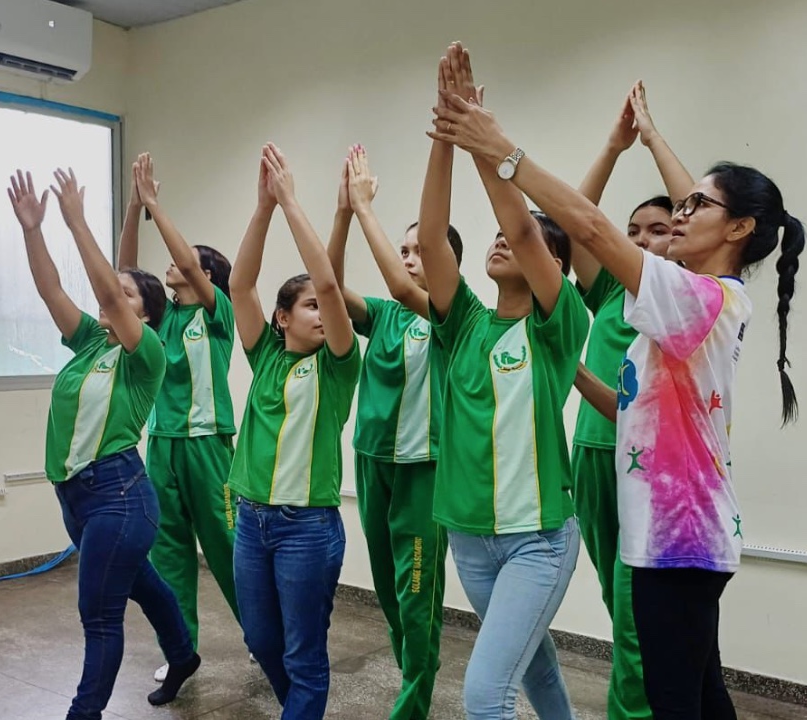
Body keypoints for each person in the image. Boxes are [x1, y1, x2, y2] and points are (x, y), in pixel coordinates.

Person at [429, 51, 804, 720]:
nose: (679, 214)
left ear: (741, 228)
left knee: (672, 700)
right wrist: (565, 366)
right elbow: (630, 406)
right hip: (679, 536)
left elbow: (590, 227)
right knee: (701, 693)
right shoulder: (698, 301)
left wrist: (502, 150)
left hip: (679, 541)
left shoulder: (702, 298)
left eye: (696, 207)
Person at [419, 45, 588, 719]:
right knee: (535, 666)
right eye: (491, 237)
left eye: (520, 244)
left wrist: (480, 143)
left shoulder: (557, 323)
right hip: (468, 538)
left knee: (485, 695)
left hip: (535, 541)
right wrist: (444, 136)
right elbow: (433, 241)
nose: (501, 240)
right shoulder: (463, 324)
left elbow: (520, 223)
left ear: (553, 264)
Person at [7, 168, 200, 720]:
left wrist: (78, 222)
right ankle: (183, 656)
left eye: (127, 292)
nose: (112, 297)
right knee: (143, 583)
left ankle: (83, 713)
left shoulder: (148, 357)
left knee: (98, 613)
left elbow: (106, 296)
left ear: (145, 312)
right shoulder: (92, 343)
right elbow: (51, 289)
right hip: (76, 497)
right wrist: (33, 230)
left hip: (119, 495)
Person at [326, 144, 461, 719]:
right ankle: (414, 677)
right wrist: (341, 214)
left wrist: (366, 211)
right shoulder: (382, 314)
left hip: (426, 471)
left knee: (417, 595)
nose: (408, 258)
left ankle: (411, 705)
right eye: (402, 250)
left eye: (418, 249)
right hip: (372, 462)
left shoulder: (455, 315)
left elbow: (410, 288)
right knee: (388, 591)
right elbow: (326, 284)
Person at [227, 143, 361, 719]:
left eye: (318, 306)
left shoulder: (336, 363)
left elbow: (332, 289)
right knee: (261, 642)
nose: (318, 311)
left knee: (304, 654)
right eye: (303, 306)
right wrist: (263, 209)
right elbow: (239, 286)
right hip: (252, 519)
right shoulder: (265, 357)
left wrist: (293, 203)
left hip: (306, 526)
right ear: (282, 318)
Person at [569, 83, 680, 720]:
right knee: (624, 608)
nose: (642, 239)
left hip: (647, 464)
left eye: (659, 230)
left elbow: (694, 203)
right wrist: (613, 146)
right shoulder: (611, 286)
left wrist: (654, 137)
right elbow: (576, 218)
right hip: (591, 453)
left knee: (639, 611)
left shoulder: (681, 296)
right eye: (633, 230)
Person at [117, 153, 240, 683]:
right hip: (162, 445)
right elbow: (121, 280)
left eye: (187, 259)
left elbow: (186, 264)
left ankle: (265, 637)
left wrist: (156, 205)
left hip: (209, 446)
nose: (173, 262)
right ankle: (181, 649)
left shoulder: (217, 314)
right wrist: (132, 208)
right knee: (169, 555)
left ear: (206, 273)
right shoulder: (161, 320)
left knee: (231, 551)